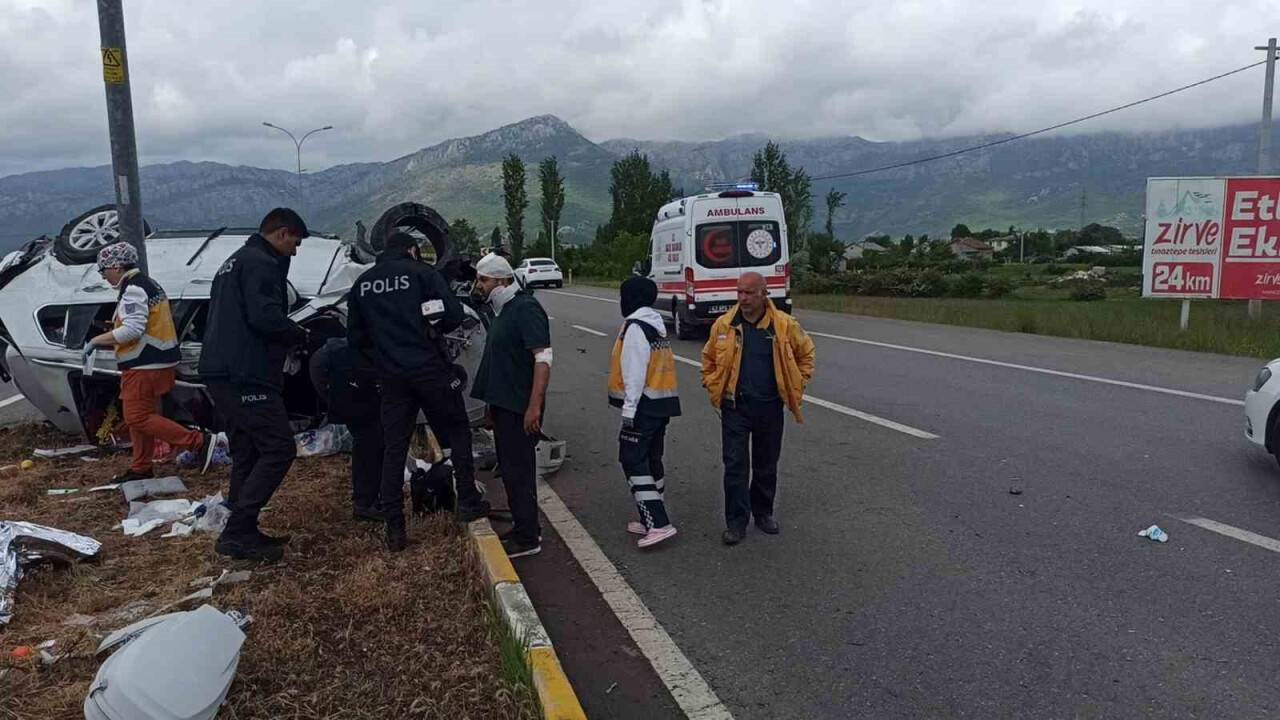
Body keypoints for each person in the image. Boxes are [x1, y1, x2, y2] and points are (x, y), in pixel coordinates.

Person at [346, 232, 490, 552]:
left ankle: (395, 528)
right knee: (458, 431)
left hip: (391, 378)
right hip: (430, 370)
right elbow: (454, 316)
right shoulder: (424, 274)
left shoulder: (364, 284)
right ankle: (467, 500)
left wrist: (384, 358)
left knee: (394, 448)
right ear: (412, 251)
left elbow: (355, 340)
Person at [199, 208, 310, 562]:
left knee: (247, 449)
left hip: (220, 370)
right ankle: (238, 529)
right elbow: (265, 317)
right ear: (281, 234)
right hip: (245, 373)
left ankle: (241, 530)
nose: (295, 251)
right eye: (295, 242)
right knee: (279, 448)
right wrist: (299, 335)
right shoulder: (261, 263)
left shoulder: (234, 261)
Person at [84, 242, 217, 482]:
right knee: (141, 418)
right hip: (156, 362)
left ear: (115, 266)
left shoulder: (134, 289)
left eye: (102, 270)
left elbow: (132, 330)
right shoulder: (148, 284)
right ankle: (141, 467)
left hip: (144, 363)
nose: (103, 276)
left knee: (137, 417)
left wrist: (96, 340)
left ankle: (198, 442)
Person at [700, 272, 815, 546]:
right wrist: (711, 382)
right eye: (739, 292)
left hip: (770, 407)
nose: (743, 298)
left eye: (749, 293)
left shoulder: (784, 326)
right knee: (735, 465)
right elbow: (708, 359)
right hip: (735, 407)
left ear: (765, 294)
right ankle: (736, 522)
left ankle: (763, 512)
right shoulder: (724, 325)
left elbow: (806, 354)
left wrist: (797, 384)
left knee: (766, 463)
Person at [470, 253, 551, 558]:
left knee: (520, 471)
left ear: (502, 281)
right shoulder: (503, 311)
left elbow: (543, 359)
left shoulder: (525, 309)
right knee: (511, 470)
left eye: (484, 280)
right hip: (505, 406)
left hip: (520, 407)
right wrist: (492, 406)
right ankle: (522, 527)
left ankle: (529, 537)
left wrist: (534, 407)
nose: (479, 285)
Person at [608, 276, 681, 548]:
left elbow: (634, 371)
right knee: (652, 459)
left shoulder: (636, 328)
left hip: (643, 406)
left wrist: (629, 409)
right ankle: (649, 517)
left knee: (632, 459)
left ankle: (659, 523)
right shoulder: (655, 325)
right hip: (660, 404)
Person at [309, 337, 383, 522]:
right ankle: (364, 504)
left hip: (340, 364)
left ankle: (368, 498)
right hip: (337, 367)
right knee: (369, 435)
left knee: (371, 434)